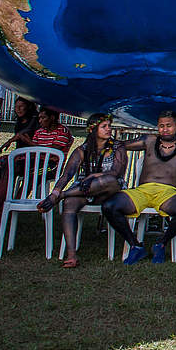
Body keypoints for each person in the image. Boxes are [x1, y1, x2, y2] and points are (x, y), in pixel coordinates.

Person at [103, 110, 176, 265]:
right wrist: (104, 140)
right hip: (142, 191)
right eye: (161, 126)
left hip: (168, 193)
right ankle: (135, 245)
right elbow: (121, 145)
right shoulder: (149, 140)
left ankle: (161, 243)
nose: (165, 129)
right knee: (109, 206)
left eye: (169, 125)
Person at [39, 113, 128, 267]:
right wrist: (55, 190)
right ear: (93, 130)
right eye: (104, 126)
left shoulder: (117, 147)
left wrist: (93, 175)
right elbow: (67, 174)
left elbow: (116, 173)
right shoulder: (82, 150)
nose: (109, 129)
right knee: (70, 204)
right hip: (83, 190)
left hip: (109, 190)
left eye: (109, 126)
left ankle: (62, 195)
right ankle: (72, 254)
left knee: (107, 180)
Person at [0, 104, 72, 211]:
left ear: (52, 118)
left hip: (50, 167)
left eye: (43, 118)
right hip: (34, 162)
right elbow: (36, 151)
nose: (40, 121)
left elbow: (52, 153)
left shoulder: (62, 132)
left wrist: (29, 142)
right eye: (39, 118)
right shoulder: (40, 131)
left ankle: (10, 203)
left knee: (22, 171)